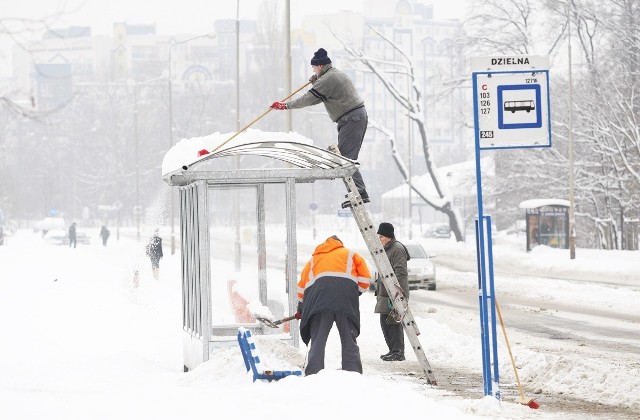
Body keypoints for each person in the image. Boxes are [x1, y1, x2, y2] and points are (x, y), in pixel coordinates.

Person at [270, 48, 369, 209]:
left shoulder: (328, 79)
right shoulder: (333, 75)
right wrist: (317, 82)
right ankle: (357, 192)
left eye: (314, 68)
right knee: (345, 159)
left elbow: (308, 99)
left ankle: (359, 192)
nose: (313, 70)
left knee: (345, 160)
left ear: (320, 66)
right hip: (354, 117)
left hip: (351, 118)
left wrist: (285, 106)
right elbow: (323, 96)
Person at [296, 235, 371, 375]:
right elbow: (365, 281)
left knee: (318, 339)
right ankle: (353, 373)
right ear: (340, 244)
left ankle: (313, 373)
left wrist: (301, 308)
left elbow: (302, 288)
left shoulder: (314, 259)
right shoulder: (351, 255)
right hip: (345, 302)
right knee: (349, 338)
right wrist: (353, 294)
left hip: (319, 303)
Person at [374, 222, 410, 362]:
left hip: (394, 293)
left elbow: (400, 272)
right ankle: (392, 350)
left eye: (381, 236)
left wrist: (398, 293)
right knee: (385, 321)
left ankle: (398, 352)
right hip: (385, 292)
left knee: (394, 322)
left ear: (389, 236)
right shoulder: (386, 248)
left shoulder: (397, 249)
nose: (379, 239)